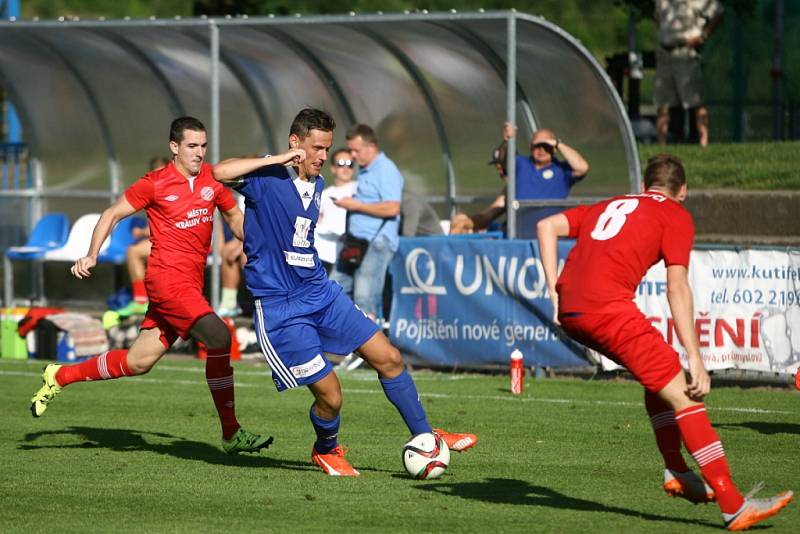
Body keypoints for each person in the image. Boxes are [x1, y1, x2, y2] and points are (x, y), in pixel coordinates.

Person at [212, 108, 477, 477]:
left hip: (322, 293)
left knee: (390, 358)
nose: (324, 156)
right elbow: (218, 172)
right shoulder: (266, 176)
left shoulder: (318, 184)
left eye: (328, 148)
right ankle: (326, 449)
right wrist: (277, 159)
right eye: (317, 147)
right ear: (296, 144)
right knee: (332, 397)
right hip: (281, 308)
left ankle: (426, 436)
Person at [536, 154, 792, 530]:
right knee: (685, 395)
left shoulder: (611, 204)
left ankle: (675, 468)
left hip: (573, 310)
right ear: (683, 191)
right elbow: (677, 287)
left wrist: (553, 292)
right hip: (607, 309)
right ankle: (733, 504)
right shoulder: (675, 214)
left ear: (644, 187)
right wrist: (697, 357)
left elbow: (546, 225)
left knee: (656, 373)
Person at [30, 117, 300, 455]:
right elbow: (112, 213)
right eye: (192, 146)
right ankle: (231, 432)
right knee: (220, 337)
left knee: (138, 362)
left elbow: (235, 220)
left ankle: (60, 376)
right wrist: (92, 254)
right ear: (174, 147)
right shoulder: (155, 183)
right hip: (167, 282)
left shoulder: (210, 180)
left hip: (189, 285)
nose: (199, 153)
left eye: (203, 146)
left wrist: (268, 241)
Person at [450, 123, 589, 235]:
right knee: (461, 222)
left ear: (554, 149)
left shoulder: (561, 170)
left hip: (548, 237)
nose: (541, 150)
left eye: (546, 146)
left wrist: (557, 143)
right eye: (537, 146)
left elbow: (582, 167)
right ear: (530, 146)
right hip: (517, 236)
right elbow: (503, 159)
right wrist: (507, 140)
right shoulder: (520, 164)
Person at [329, 123, 402, 322]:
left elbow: (393, 207)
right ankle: (343, 341)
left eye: (356, 150)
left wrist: (356, 206)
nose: (352, 155)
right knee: (333, 288)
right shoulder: (365, 169)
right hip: (356, 242)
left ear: (371, 147)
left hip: (376, 243)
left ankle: (369, 352)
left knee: (365, 298)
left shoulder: (385, 169)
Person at [654, 0, 725, 147]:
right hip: (664, 53)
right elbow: (658, 19)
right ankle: (662, 143)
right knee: (663, 102)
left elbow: (719, 12)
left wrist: (702, 36)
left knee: (696, 100)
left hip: (685, 53)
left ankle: (703, 142)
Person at [115, 155, 168, 317]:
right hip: (163, 240)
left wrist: (143, 232)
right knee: (135, 251)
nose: (160, 177)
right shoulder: (152, 191)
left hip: (176, 242)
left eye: (163, 173)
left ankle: (141, 301)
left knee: (133, 252)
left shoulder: (174, 191)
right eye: (156, 173)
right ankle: (143, 300)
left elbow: (171, 225)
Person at [314, 148, 357, 272]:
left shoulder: (359, 190)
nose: (345, 168)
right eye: (340, 164)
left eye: (350, 164)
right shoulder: (324, 193)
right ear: (333, 168)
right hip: (322, 254)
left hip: (348, 254)